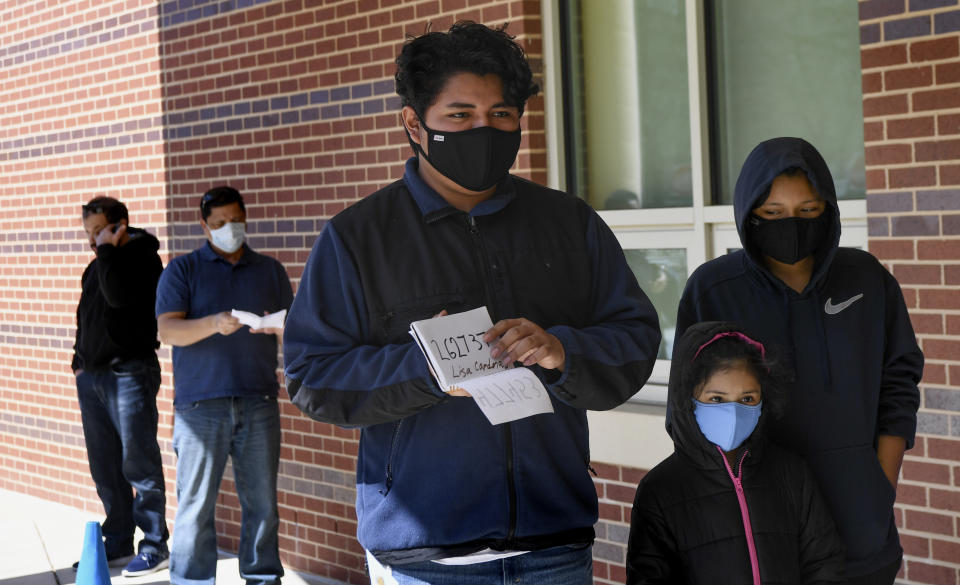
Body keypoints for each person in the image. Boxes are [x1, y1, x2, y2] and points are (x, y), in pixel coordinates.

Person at [283, 21, 662, 585]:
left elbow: (633, 341)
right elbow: (314, 379)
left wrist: (563, 351)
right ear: (415, 124)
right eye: (460, 116)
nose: (484, 130)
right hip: (424, 558)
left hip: (553, 547)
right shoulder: (358, 238)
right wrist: (427, 371)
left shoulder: (569, 223)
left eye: (501, 115)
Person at [675, 137, 923, 584]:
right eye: (773, 213)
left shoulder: (867, 279)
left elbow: (899, 383)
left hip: (862, 537)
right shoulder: (713, 290)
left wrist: (879, 488)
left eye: (808, 211)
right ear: (749, 214)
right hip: (761, 538)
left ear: (827, 209)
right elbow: (688, 415)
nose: (791, 224)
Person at [627, 321, 845, 584]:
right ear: (687, 398)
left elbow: (824, 563)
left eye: (747, 399)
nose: (733, 412)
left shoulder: (791, 474)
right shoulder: (660, 489)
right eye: (716, 399)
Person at [155, 186, 293, 585]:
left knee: (263, 504)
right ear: (204, 225)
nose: (228, 229)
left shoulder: (269, 270)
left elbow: (293, 324)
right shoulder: (182, 270)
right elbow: (167, 330)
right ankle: (192, 581)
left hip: (259, 400)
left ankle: (263, 578)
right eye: (218, 224)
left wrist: (279, 326)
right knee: (196, 505)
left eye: (234, 221)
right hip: (201, 407)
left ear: (245, 218)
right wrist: (214, 323)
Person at [72, 196, 169, 577]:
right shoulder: (97, 266)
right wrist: (77, 363)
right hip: (93, 379)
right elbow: (86, 318)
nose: (92, 241)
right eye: (89, 234)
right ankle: (116, 540)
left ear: (120, 226)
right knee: (105, 465)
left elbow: (117, 296)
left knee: (138, 461)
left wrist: (108, 251)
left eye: (99, 231)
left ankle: (154, 543)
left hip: (130, 373)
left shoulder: (143, 258)